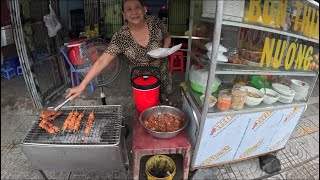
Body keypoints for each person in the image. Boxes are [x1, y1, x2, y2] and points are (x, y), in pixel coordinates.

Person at [66, 0, 172, 102]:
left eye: (137, 7)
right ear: (124, 15)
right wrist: (82, 85)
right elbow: (102, 60)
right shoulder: (121, 36)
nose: (134, 12)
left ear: (144, 9)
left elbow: (167, 36)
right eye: (129, 9)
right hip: (140, 80)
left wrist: (165, 48)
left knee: (164, 104)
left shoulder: (155, 22)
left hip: (162, 72)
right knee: (146, 107)